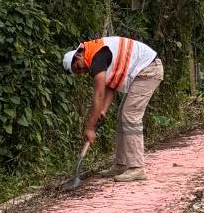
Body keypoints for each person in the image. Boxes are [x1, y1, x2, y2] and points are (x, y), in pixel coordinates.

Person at [62, 35, 164, 182]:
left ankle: (137, 168)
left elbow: (99, 95)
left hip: (149, 69)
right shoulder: (96, 55)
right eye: (78, 73)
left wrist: (90, 128)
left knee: (130, 115)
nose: (82, 71)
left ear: (78, 55)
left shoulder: (96, 57)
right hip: (145, 69)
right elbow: (110, 86)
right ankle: (121, 164)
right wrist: (102, 110)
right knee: (123, 115)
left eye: (78, 67)